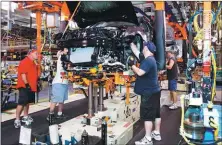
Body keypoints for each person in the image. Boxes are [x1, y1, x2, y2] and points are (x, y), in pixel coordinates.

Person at [129, 41, 161, 145]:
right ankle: (156, 133)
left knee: (147, 116)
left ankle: (147, 139)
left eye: (144, 47)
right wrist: (131, 44)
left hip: (148, 93)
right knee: (156, 114)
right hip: (155, 91)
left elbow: (140, 72)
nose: (142, 48)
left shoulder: (148, 61)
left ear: (146, 49)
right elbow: (137, 53)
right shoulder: (150, 59)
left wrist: (132, 65)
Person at [14, 49, 39, 128]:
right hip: (24, 86)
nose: (37, 55)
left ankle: (25, 116)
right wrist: (27, 85)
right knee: (21, 103)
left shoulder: (33, 63)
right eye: (36, 53)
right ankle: (17, 120)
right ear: (30, 54)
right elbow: (23, 75)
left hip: (31, 86)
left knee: (27, 102)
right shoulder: (25, 61)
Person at [47, 48, 69, 121]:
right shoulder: (61, 57)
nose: (68, 50)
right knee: (55, 99)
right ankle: (50, 115)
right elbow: (61, 54)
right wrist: (63, 52)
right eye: (66, 49)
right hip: (58, 82)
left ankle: (60, 114)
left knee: (61, 100)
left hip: (64, 82)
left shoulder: (67, 60)